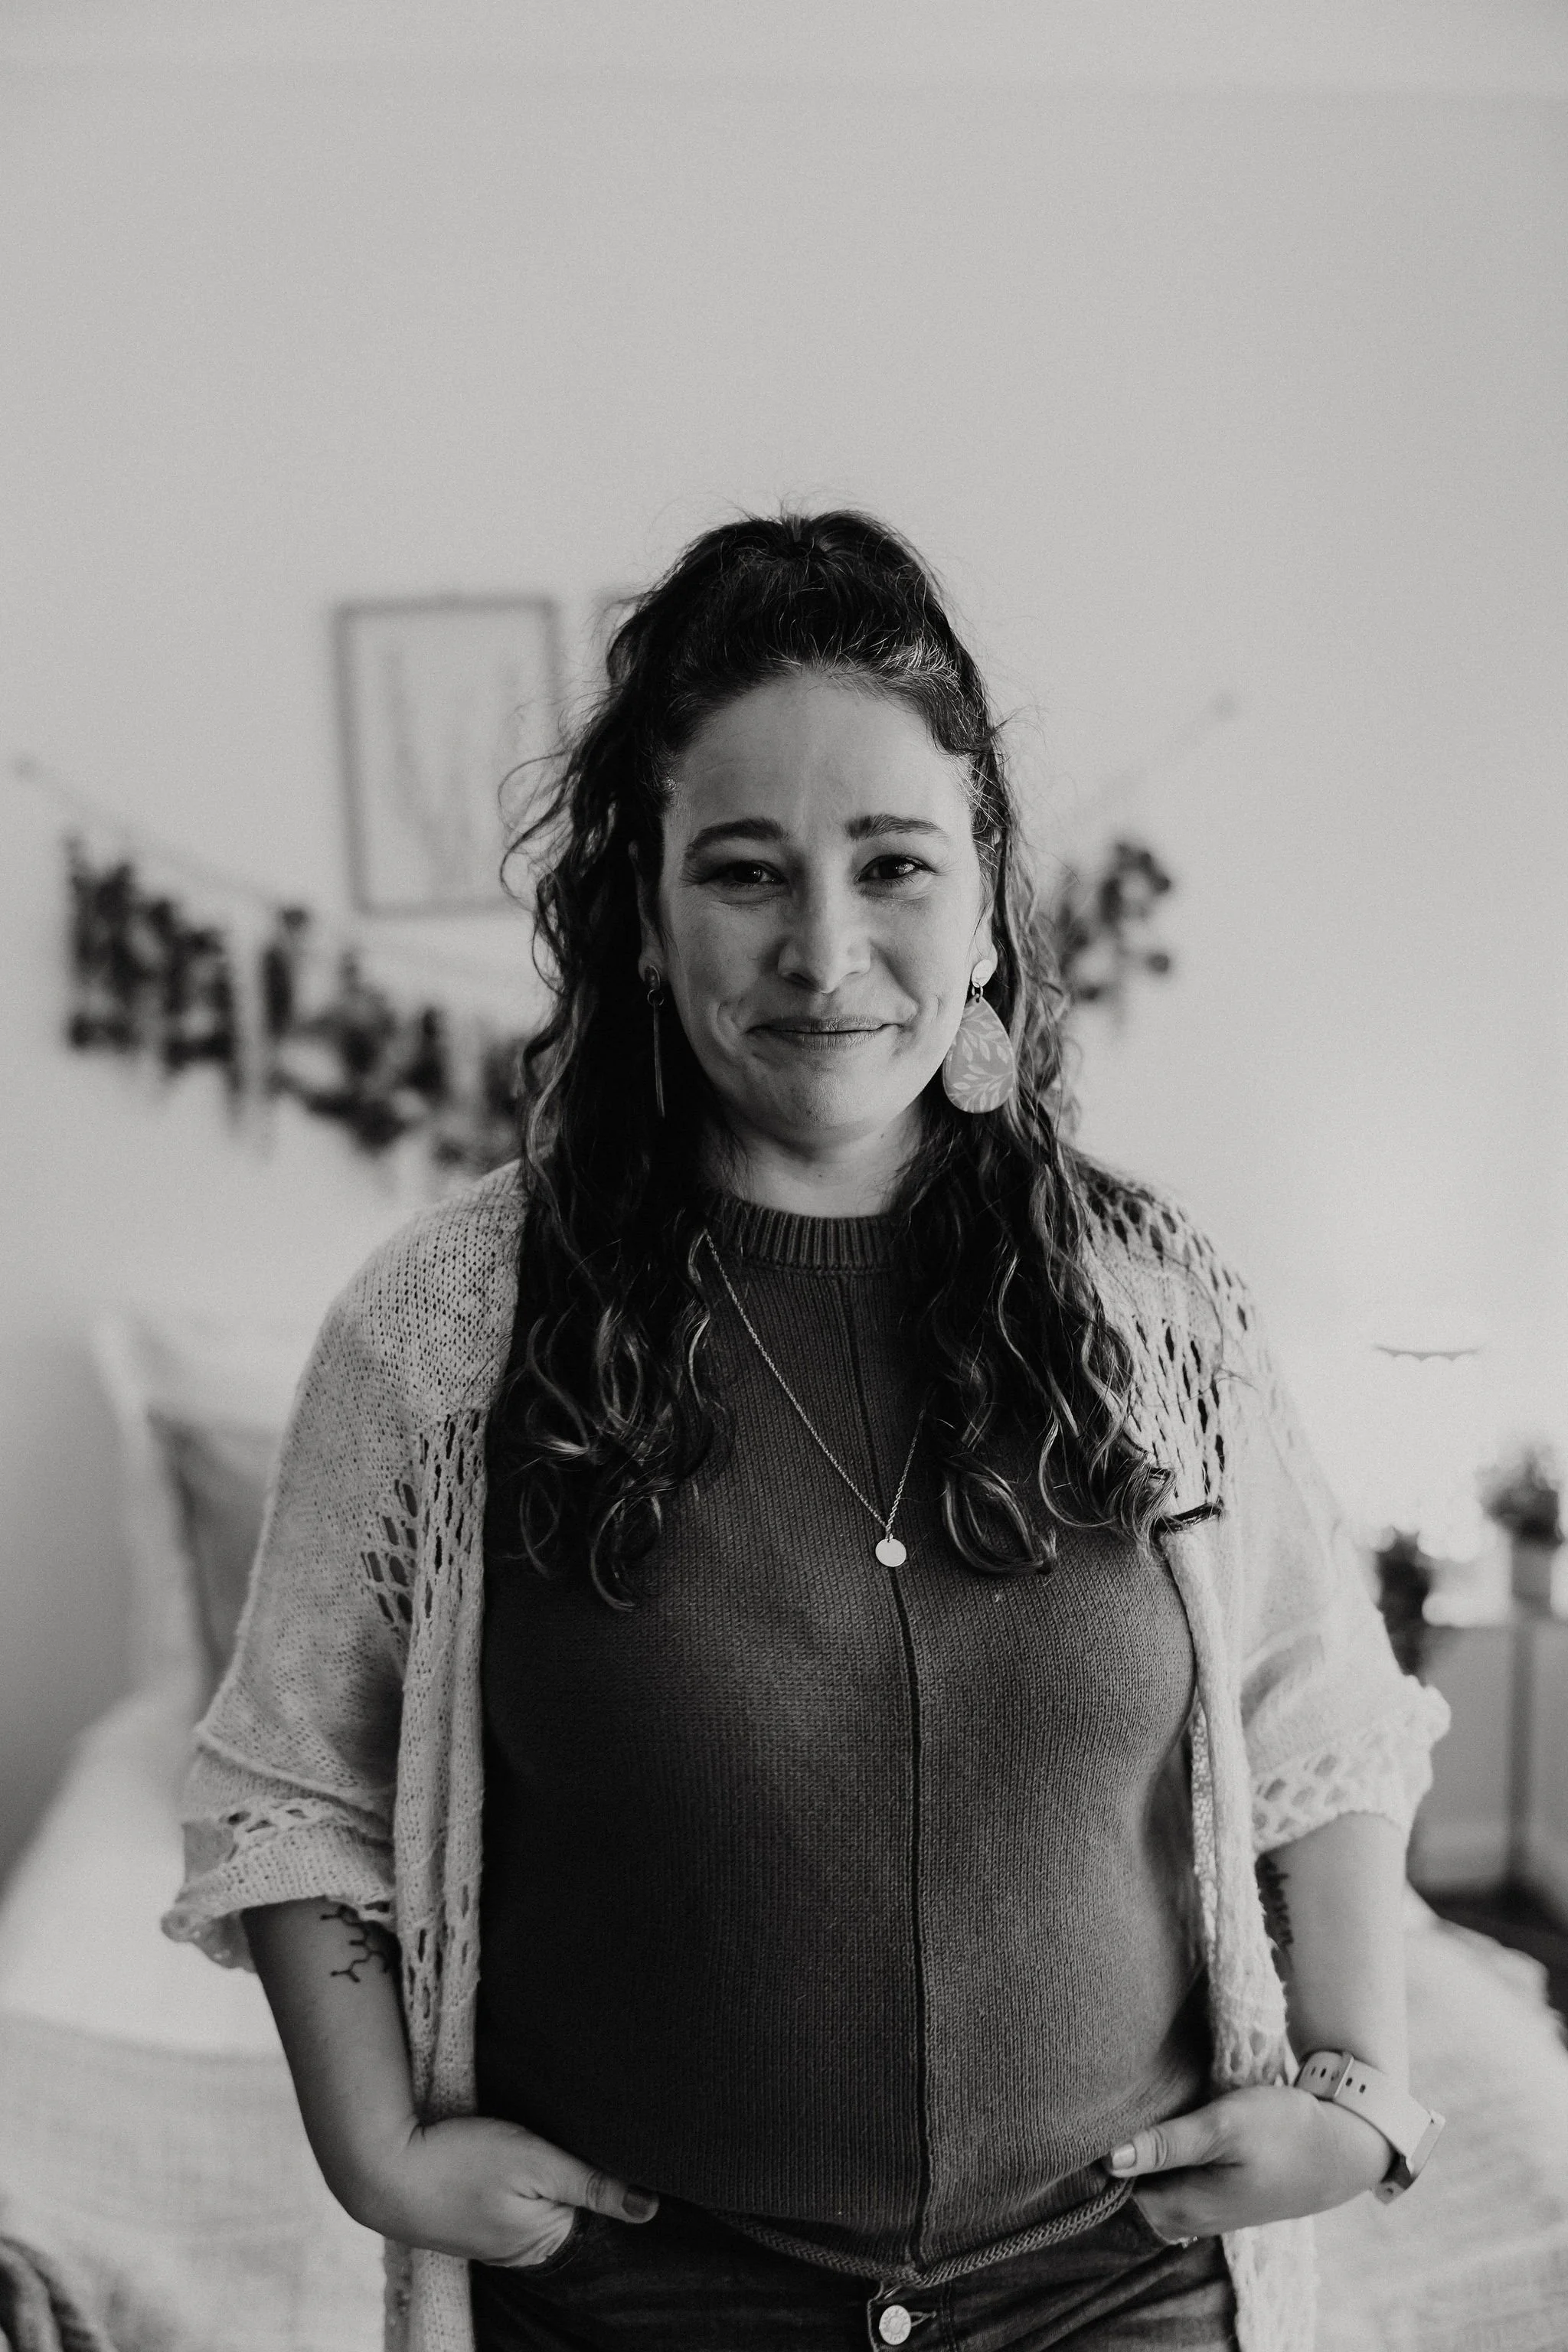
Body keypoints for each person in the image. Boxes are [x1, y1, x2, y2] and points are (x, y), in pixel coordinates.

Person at [164, 511, 1449, 2352]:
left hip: (1117, 2293)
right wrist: (372, 2146)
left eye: (894, 864)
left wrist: (1368, 2092)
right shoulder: (444, 1334)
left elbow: (1317, 1723)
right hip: (636, 2302)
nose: (826, 949)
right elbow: (292, 1789)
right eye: (747, 872)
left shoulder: (1154, 1298)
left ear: (989, 892)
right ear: (644, 904)